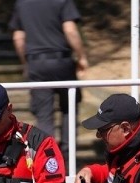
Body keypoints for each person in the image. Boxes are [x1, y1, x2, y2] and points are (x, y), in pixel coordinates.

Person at [9, 0, 88, 157]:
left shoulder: (22, 4)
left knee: (44, 115)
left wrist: (26, 63)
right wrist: (82, 57)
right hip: (62, 61)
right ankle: (67, 156)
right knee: (69, 108)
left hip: (36, 63)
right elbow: (70, 30)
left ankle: (48, 158)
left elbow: (18, 38)